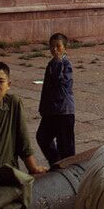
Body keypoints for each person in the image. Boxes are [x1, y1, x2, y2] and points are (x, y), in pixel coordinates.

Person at [37, 33, 76, 166]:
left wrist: (58, 63)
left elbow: (62, 83)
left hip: (63, 111)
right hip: (51, 110)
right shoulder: (52, 63)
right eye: (52, 46)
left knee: (66, 145)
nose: (55, 49)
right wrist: (43, 107)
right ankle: (56, 162)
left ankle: (70, 170)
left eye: (58, 46)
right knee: (42, 137)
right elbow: (47, 89)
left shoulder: (65, 64)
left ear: (64, 48)